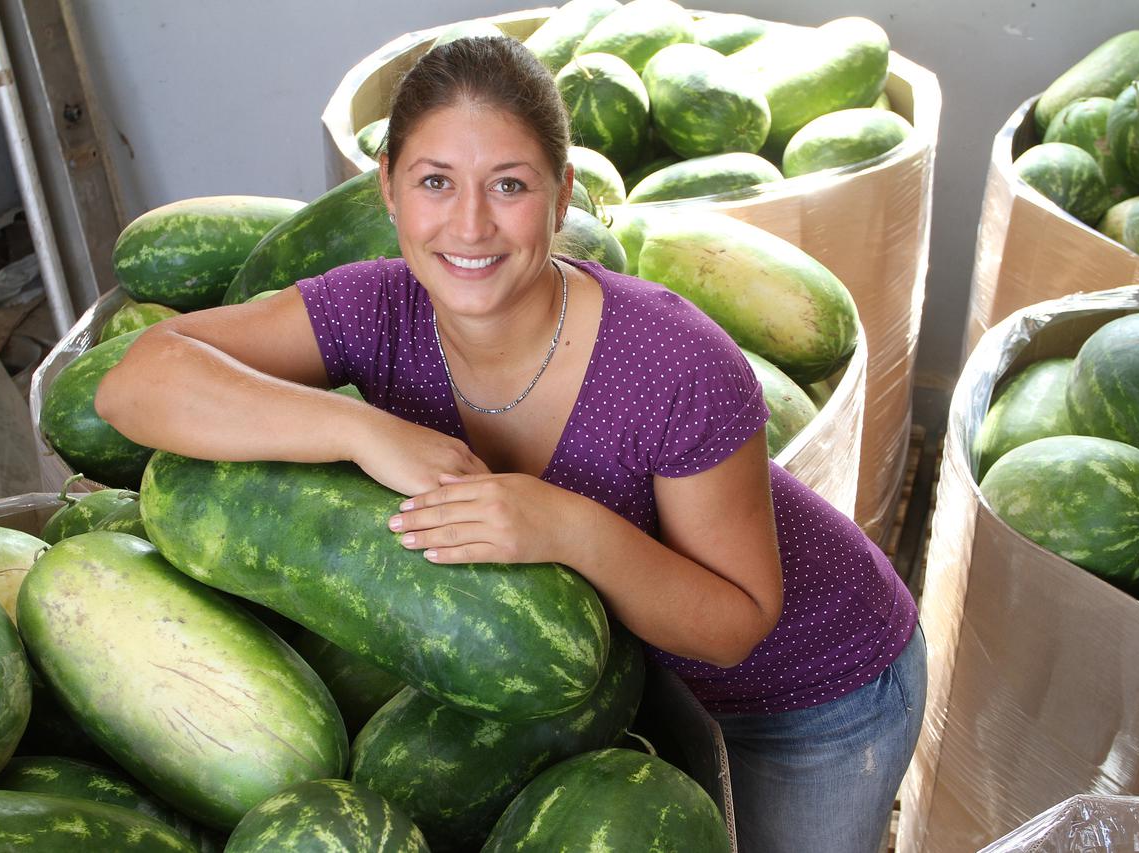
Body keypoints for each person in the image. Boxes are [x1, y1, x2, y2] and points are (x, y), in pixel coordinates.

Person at [96, 36, 924, 853]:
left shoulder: (673, 362)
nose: (470, 224)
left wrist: (564, 526)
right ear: (387, 189)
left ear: (562, 198)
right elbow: (133, 382)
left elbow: (736, 624)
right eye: (435, 181)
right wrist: (360, 429)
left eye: (510, 185)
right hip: (633, 683)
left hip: (812, 694)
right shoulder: (375, 310)